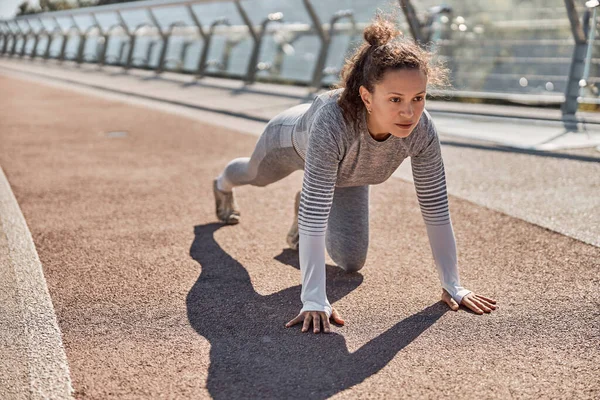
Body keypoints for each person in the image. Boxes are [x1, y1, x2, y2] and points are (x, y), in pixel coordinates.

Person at [212, 14, 498, 334]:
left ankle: (310, 194)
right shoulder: (334, 124)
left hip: (349, 174)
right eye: (395, 99)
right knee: (255, 174)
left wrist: (452, 284)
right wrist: (314, 299)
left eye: (418, 98)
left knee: (351, 262)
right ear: (367, 97)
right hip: (290, 140)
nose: (408, 111)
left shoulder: (422, 130)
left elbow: (435, 209)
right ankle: (223, 184)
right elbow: (314, 218)